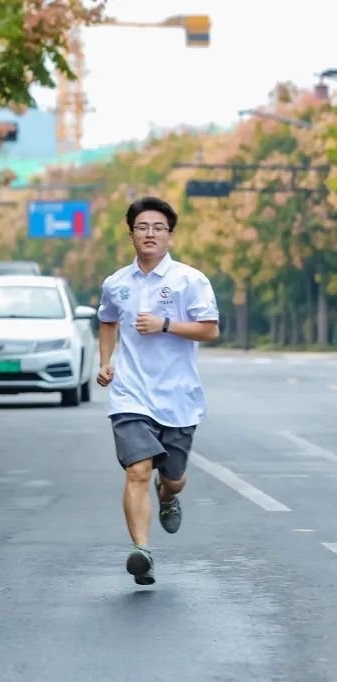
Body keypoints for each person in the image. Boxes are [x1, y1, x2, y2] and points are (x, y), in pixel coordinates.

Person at [96, 196, 220, 585]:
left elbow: (210, 329)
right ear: (130, 232)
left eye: (158, 228)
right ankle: (142, 552)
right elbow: (108, 321)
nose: (150, 234)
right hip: (131, 394)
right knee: (137, 470)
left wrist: (166, 324)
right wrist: (105, 361)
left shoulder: (190, 280)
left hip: (179, 396)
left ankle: (167, 496)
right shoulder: (116, 283)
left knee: (173, 477)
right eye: (142, 227)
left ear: (169, 235)